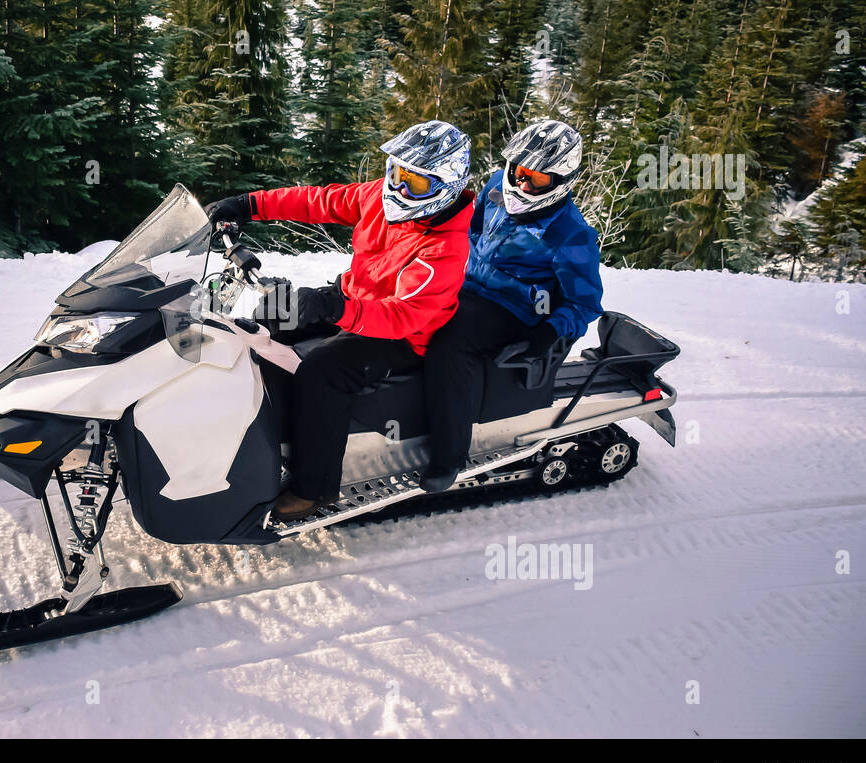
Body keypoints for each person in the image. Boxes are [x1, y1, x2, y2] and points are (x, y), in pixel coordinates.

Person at [206, 121, 475, 523]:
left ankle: (313, 489)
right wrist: (249, 205)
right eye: (398, 174)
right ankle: (249, 435)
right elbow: (319, 201)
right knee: (263, 325)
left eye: (416, 185)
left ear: (447, 187)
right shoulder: (378, 198)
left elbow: (403, 316)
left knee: (322, 371)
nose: (400, 190)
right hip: (353, 300)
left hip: (401, 336)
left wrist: (335, 310)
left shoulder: (444, 248)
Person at [419, 119, 604, 493]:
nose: (522, 184)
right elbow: (469, 227)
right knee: (407, 312)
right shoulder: (493, 187)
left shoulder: (571, 234)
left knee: (450, 345)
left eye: (536, 179)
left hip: (513, 310)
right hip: (466, 282)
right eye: (519, 172)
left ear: (560, 181)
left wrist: (551, 330)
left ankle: (449, 455)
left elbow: (585, 302)